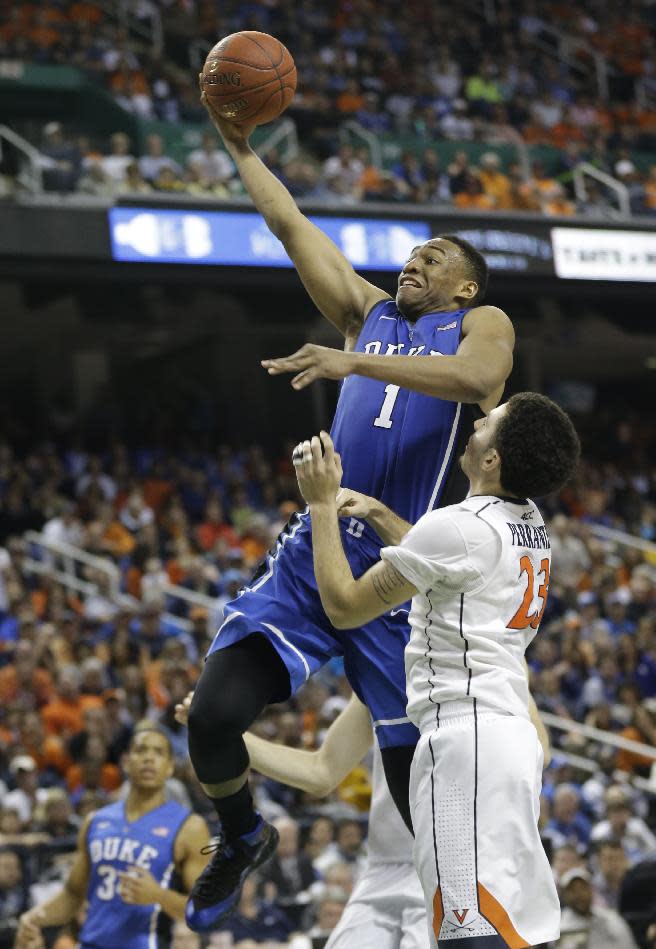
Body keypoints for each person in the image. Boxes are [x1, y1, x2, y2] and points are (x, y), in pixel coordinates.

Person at [184, 81, 515, 932]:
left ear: (466, 289)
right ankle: (242, 832)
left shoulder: (480, 328)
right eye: (416, 251)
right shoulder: (367, 314)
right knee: (214, 717)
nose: (420, 258)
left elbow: (480, 384)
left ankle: (470, 925)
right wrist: (242, 150)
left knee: (417, 811)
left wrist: (355, 366)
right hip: (315, 544)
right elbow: (292, 226)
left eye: (439, 255)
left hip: (399, 574)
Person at [291, 392, 580, 946]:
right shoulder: (529, 522)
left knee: (464, 930)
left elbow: (346, 605)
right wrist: (376, 512)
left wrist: (322, 504)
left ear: (493, 459)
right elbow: (444, 561)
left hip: (463, 742)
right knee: (512, 928)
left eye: (489, 422)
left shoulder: (458, 526)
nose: (476, 423)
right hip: (511, 736)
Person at [176, 679, 550, 949]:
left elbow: (537, 756)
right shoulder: (382, 667)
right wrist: (224, 737)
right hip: (383, 870)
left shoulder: (492, 666)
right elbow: (321, 771)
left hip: (452, 871)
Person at [15, 722, 209, 949]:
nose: (148, 758)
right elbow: (72, 894)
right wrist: (35, 917)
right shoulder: (96, 821)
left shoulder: (189, 827)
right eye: (141, 750)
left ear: (170, 767)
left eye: (158, 752)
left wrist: (159, 895)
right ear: (126, 762)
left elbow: (204, 912)